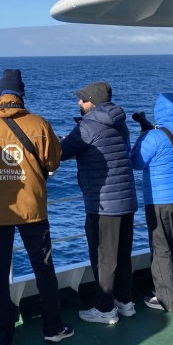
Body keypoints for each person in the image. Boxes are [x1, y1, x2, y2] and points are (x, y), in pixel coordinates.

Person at [0, 69, 73, 345]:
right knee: (44, 268)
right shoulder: (39, 124)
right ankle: (53, 327)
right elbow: (52, 163)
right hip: (32, 209)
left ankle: (2, 336)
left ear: (0, 95)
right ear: (22, 94)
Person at [60, 81, 138, 324]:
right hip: (126, 199)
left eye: (83, 99)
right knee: (122, 254)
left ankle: (105, 309)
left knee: (103, 256)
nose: (79, 102)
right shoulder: (119, 122)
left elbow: (62, 152)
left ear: (93, 101)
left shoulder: (89, 125)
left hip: (103, 203)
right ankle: (125, 302)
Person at [130, 93, 173, 312]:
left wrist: (143, 134)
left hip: (161, 200)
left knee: (161, 248)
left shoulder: (154, 136)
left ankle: (166, 299)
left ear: (158, 110)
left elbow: (136, 162)